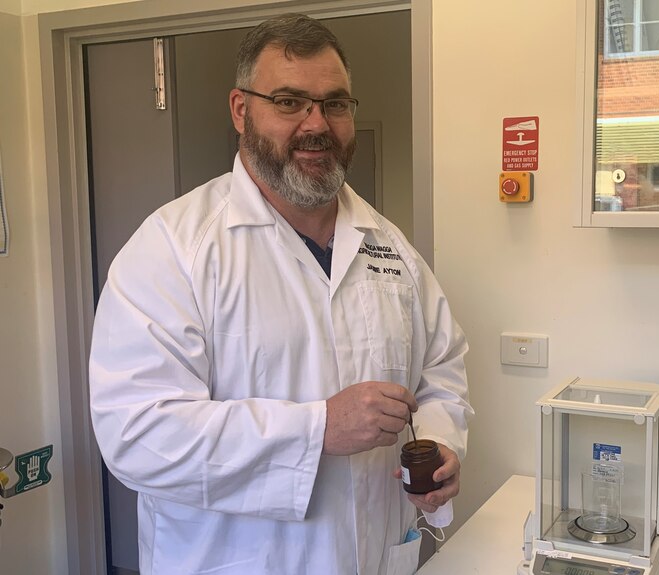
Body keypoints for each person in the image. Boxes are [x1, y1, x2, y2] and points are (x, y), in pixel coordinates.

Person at [89, 13, 472, 575]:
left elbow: (441, 368)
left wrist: (442, 445)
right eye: (290, 101)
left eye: (335, 103)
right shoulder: (174, 248)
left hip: (372, 554)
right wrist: (316, 428)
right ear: (242, 110)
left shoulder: (390, 247)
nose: (316, 124)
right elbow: (138, 435)